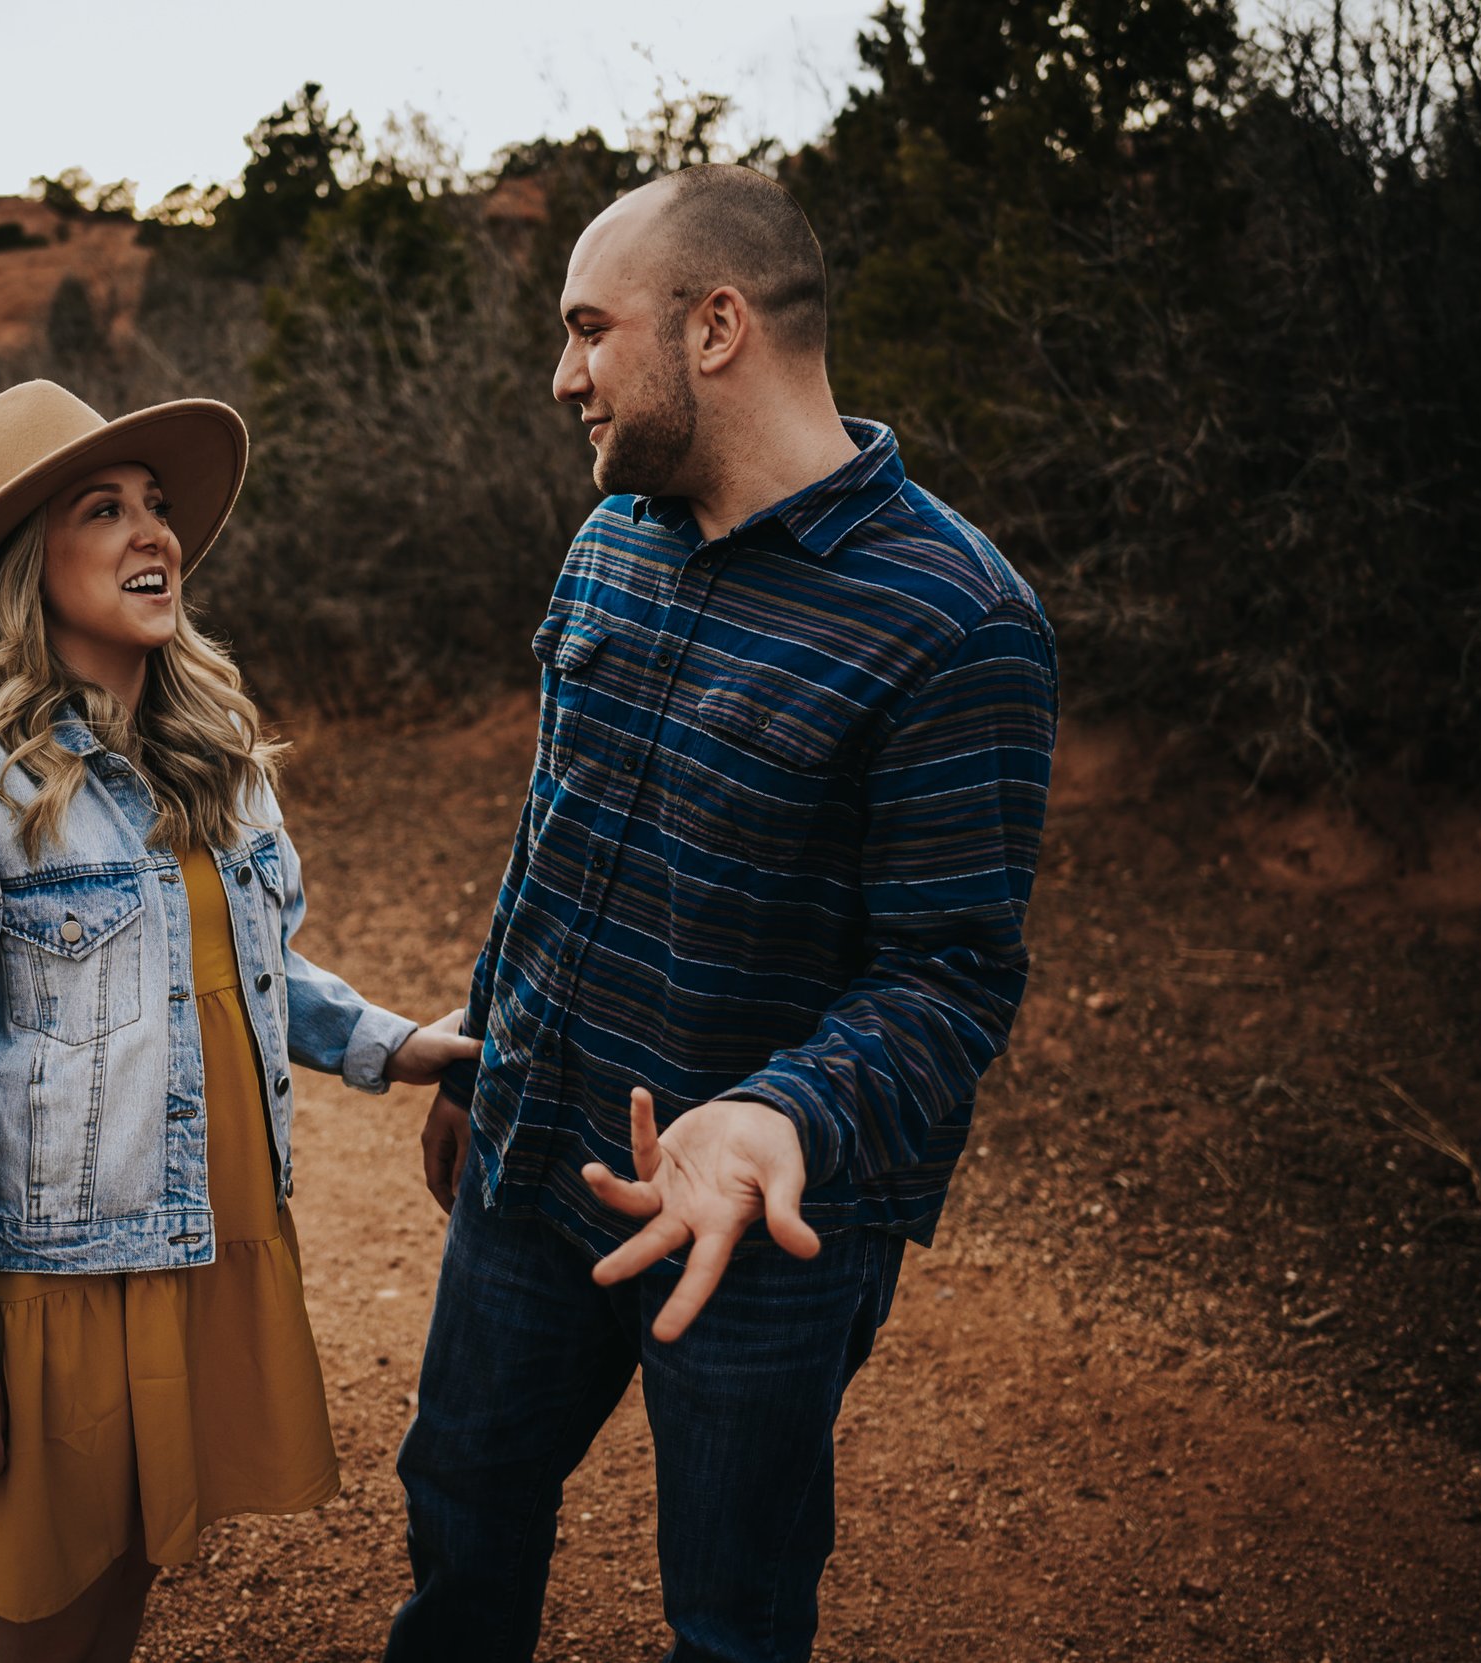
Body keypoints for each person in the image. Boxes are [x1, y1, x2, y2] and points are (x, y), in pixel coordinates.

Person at [388, 166, 1060, 1662]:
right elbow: (554, 832)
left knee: (732, 1613)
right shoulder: (612, 536)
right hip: (533, 1145)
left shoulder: (957, 619)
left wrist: (783, 1117)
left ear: (715, 325)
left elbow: (951, 975)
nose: (563, 375)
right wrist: (491, 1041)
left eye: (586, 330)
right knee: (461, 1503)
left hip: (756, 1223)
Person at [0, 380, 477, 1662]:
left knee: (111, 1617)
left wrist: (383, 1043)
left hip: (181, 1257)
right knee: (31, 1641)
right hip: (40, 1297)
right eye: (102, 508)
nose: (152, 532)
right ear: (20, 562)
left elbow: (233, 965)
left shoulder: (192, 750)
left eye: (158, 506)